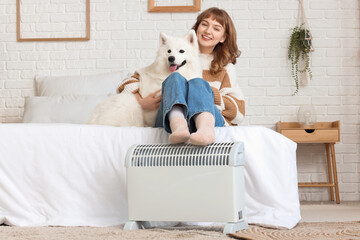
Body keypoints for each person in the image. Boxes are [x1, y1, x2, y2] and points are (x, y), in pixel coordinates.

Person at [118, 7, 245, 146]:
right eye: (204, 24)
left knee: (197, 83)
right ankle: (179, 126)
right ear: (196, 28)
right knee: (175, 78)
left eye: (216, 28)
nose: (208, 31)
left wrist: (207, 92)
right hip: (171, 122)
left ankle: (205, 130)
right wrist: (140, 102)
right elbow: (128, 81)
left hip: (210, 121)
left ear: (223, 37)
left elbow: (238, 111)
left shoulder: (225, 68)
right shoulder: (174, 54)